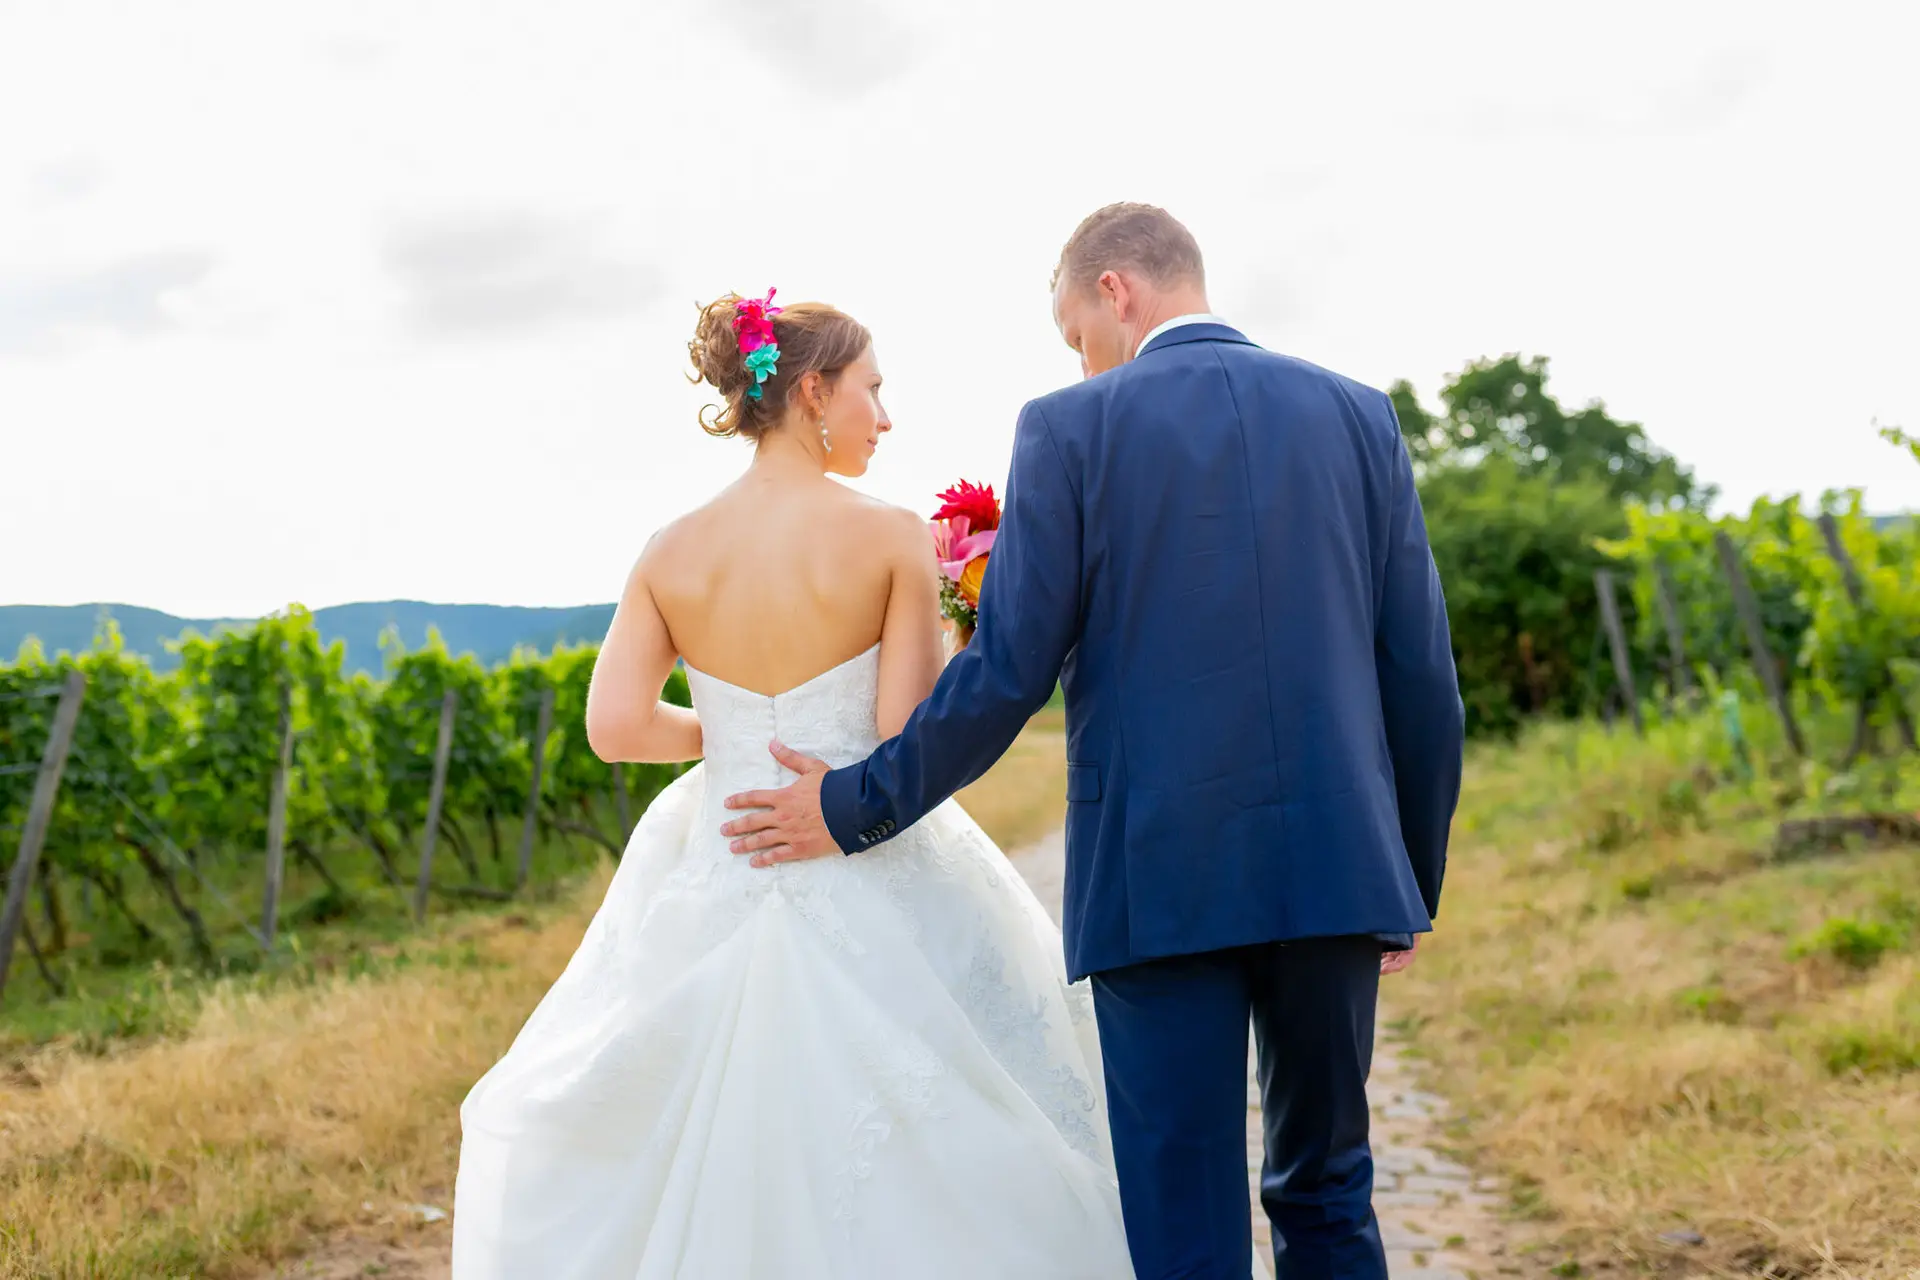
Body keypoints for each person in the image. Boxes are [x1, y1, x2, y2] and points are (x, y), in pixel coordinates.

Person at [721, 205, 1466, 1280]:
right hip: (1338, 874)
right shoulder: (1360, 416)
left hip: (1156, 882)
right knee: (1329, 1191)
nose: (1082, 360)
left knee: (1182, 1217)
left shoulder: (1069, 430)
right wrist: (1408, 877)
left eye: (1076, 334)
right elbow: (1422, 678)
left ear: (1114, 291)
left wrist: (853, 803)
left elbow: (1005, 674)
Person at [449, 290, 1136, 1278]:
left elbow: (615, 727)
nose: (884, 416)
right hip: (863, 845)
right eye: (872, 388)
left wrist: (732, 737)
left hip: (723, 847)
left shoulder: (670, 548)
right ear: (812, 390)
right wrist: (962, 624)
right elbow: (906, 731)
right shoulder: (892, 535)